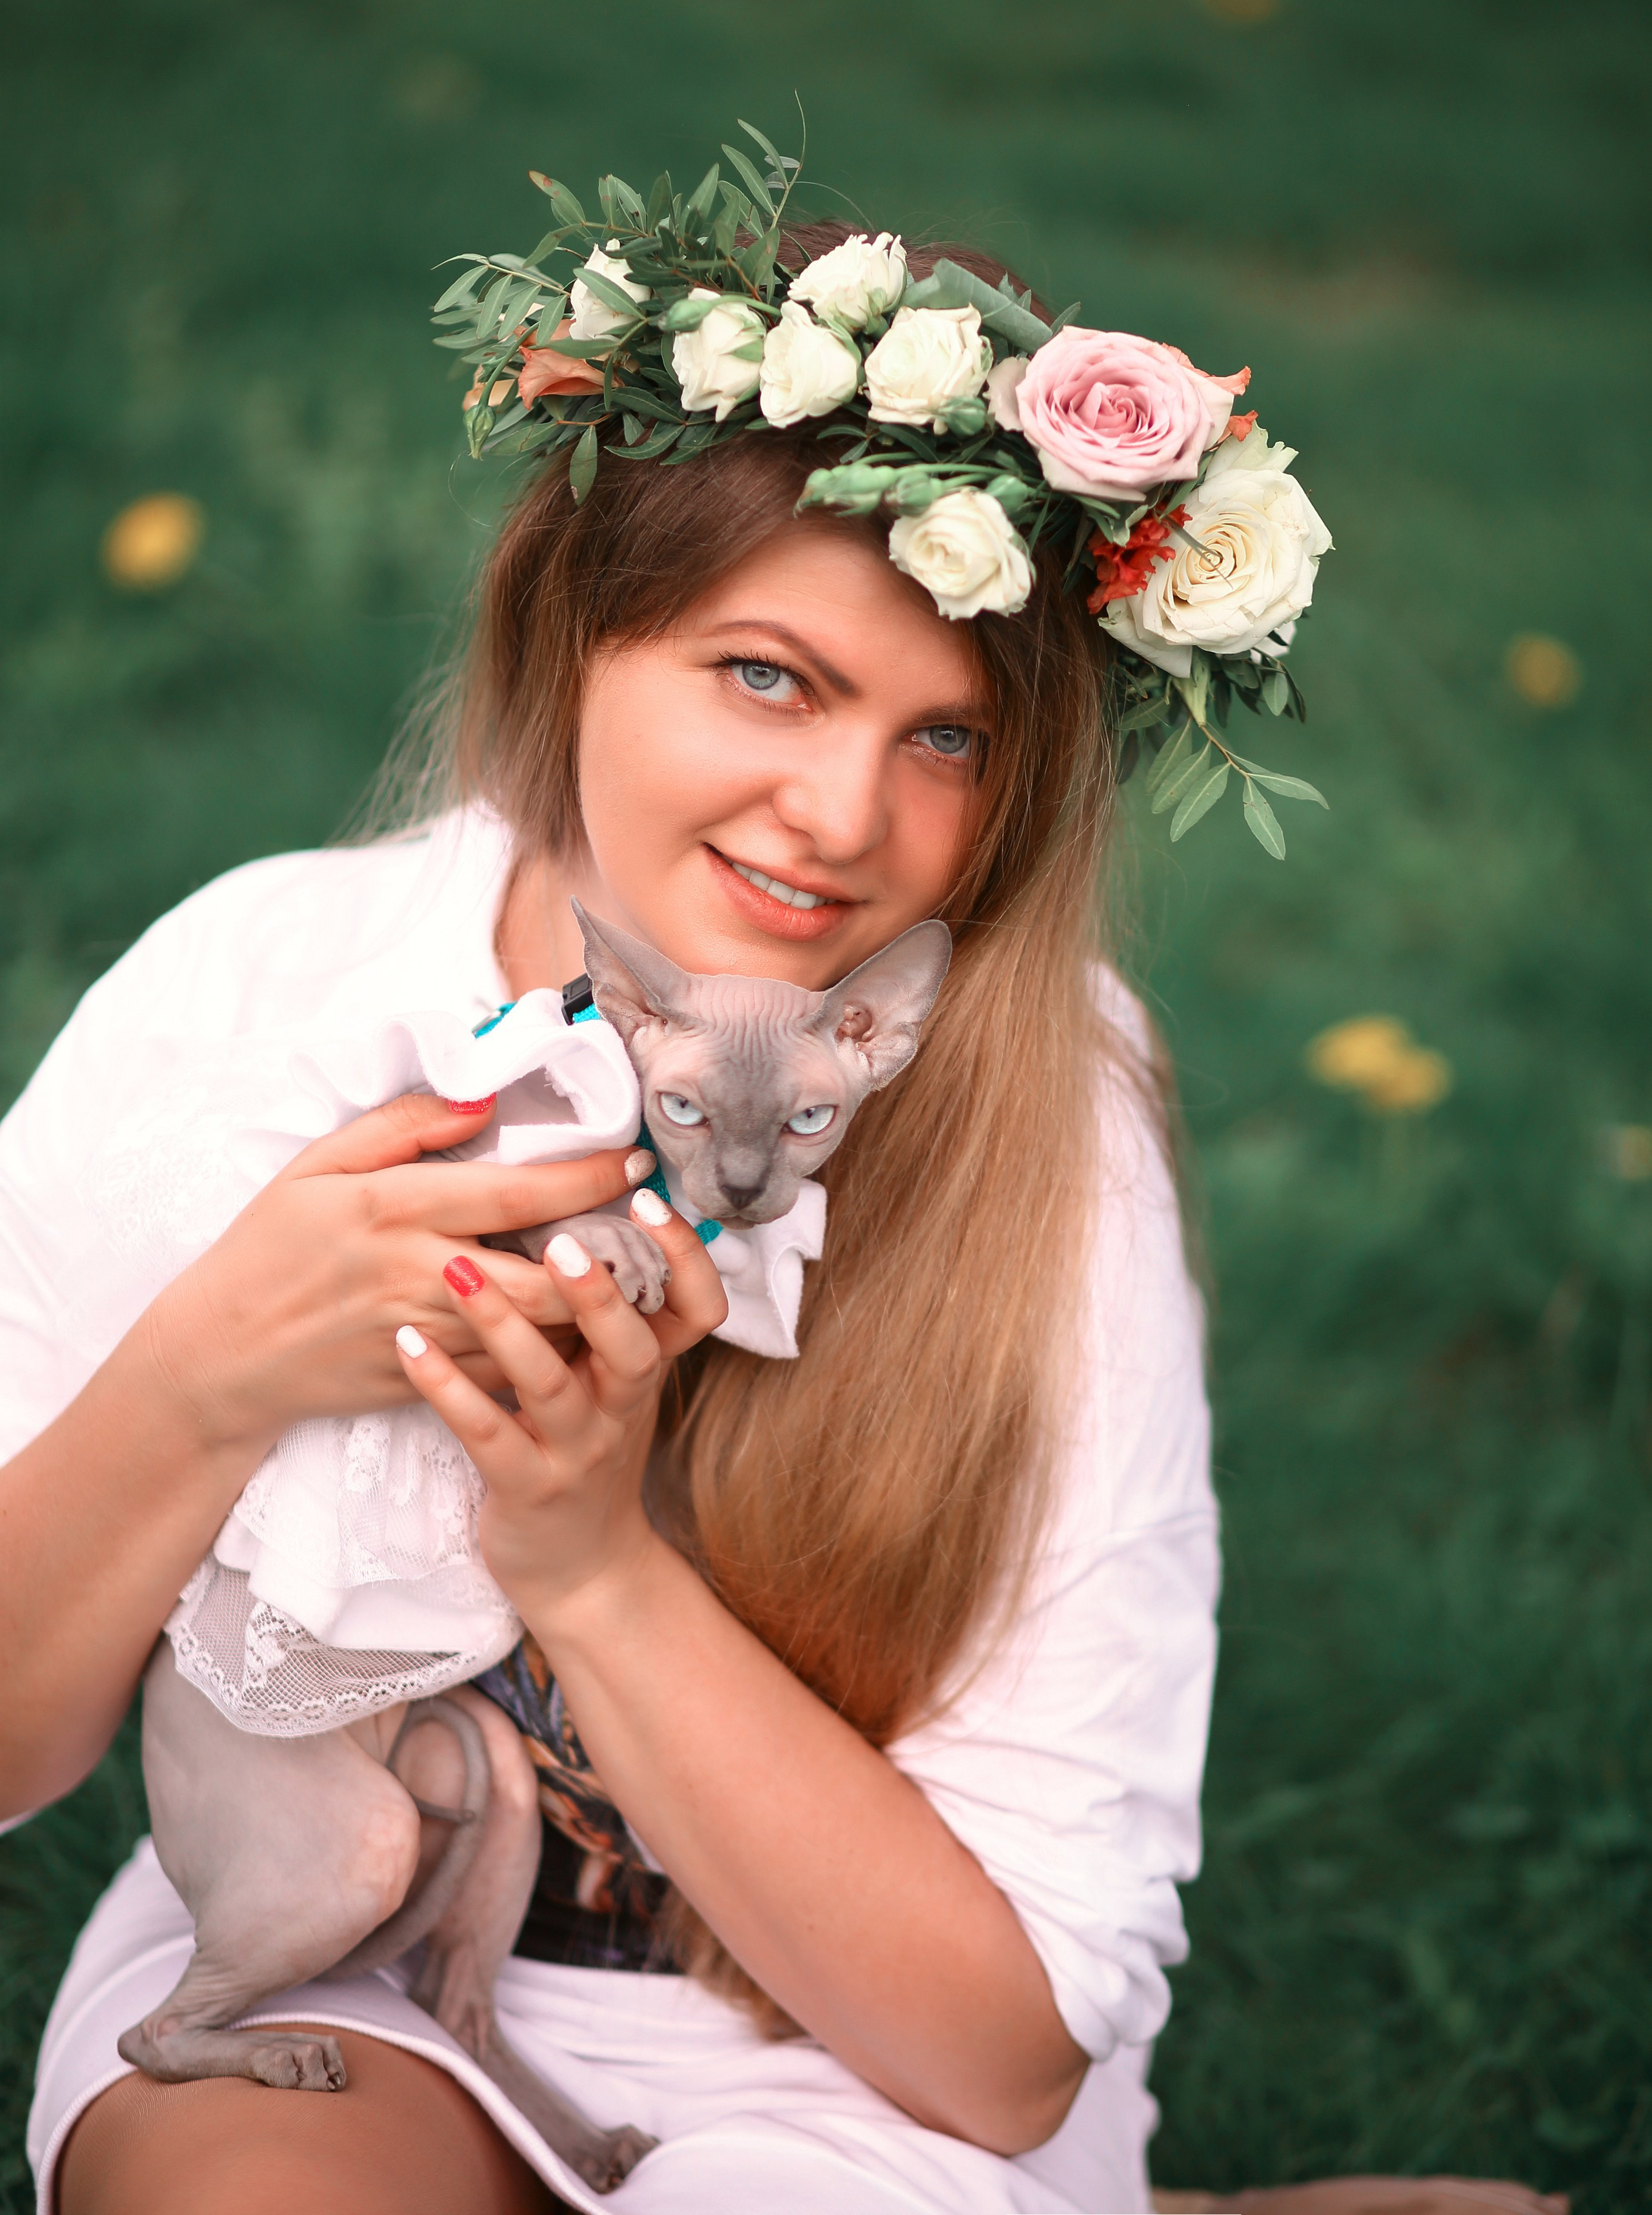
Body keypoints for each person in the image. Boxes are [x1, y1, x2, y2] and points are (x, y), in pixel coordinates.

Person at [0, 210, 1562, 2215]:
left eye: (948, 738)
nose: (840, 820)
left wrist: (589, 1564)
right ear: (572, 627)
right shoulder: (268, 997)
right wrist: (205, 1375)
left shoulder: (1040, 1113)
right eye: (766, 677)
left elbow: (994, 2057)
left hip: (846, 2039)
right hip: (346, 1947)